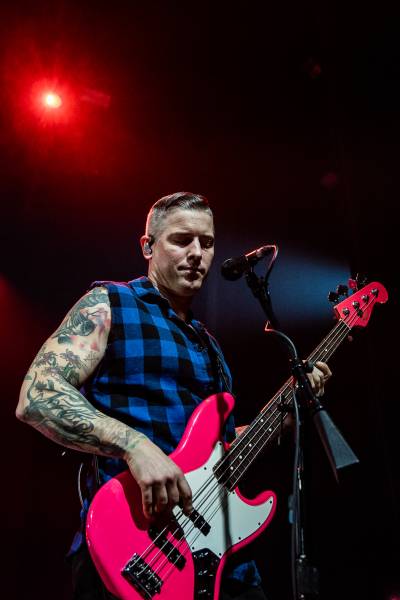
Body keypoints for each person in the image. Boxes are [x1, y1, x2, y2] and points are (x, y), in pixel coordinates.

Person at [16, 192, 332, 600]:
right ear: (148, 246)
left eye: (207, 242)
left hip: (224, 561)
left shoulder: (210, 345)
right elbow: (38, 395)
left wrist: (284, 418)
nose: (197, 253)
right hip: (135, 549)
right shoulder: (111, 303)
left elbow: (216, 451)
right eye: (182, 240)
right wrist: (135, 446)